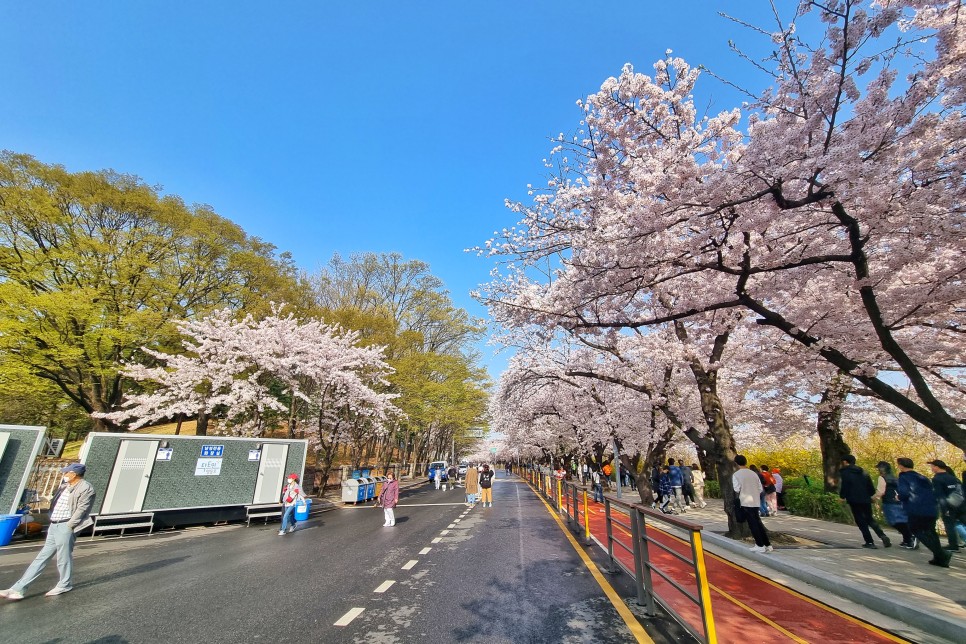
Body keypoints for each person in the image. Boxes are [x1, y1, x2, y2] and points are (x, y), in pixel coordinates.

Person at [1, 463, 96, 601]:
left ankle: (65, 584)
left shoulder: (86, 488)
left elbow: (82, 509)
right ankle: (18, 589)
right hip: (54, 524)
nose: (64, 474)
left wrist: (70, 526)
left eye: (66, 472)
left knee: (63, 557)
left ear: (74, 474)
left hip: (66, 525)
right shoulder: (65, 486)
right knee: (42, 557)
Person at [897, 457, 951, 568]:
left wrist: (899, 497)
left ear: (901, 466)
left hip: (916, 508)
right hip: (931, 508)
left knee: (915, 530)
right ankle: (939, 558)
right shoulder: (922, 477)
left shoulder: (903, 477)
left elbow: (904, 493)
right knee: (931, 532)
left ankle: (942, 554)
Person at [838, 455, 891, 548]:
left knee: (860, 520)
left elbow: (845, 485)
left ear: (845, 462)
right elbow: (870, 487)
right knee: (869, 519)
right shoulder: (863, 471)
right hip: (866, 499)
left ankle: (869, 542)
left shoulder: (845, 472)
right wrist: (870, 496)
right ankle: (883, 536)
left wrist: (842, 497)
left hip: (853, 499)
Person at [733, 455, 772, 553]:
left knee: (752, 524)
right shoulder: (754, 474)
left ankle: (759, 545)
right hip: (755, 500)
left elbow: (736, 489)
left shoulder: (736, 475)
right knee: (758, 522)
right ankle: (767, 544)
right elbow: (760, 488)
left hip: (745, 501)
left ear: (736, 463)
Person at [873, 461, 915, 548]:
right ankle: (906, 540)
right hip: (899, 501)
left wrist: (873, 498)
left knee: (893, 522)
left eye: (878, 468)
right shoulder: (896, 478)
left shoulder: (882, 478)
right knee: (902, 520)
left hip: (889, 502)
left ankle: (910, 537)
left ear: (882, 469)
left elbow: (880, 492)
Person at [928, 459, 965, 552]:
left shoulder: (937, 479)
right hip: (961, 505)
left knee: (949, 525)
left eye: (932, 466)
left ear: (936, 467)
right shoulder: (954, 478)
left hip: (949, 506)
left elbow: (940, 496)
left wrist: (944, 508)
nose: (931, 468)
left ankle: (953, 545)